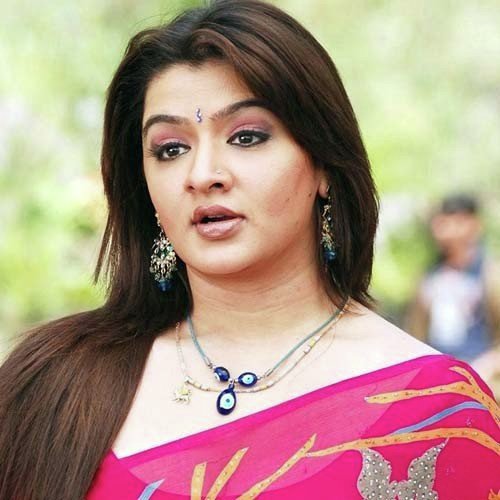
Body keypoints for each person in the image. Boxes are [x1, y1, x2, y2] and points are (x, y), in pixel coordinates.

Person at [1, 1, 499, 499]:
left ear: (324, 163)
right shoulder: (51, 386)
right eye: (171, 148)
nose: (202, 175)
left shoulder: (437, 411)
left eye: (246, 137)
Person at [407, 194, 500, 362]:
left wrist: (490, 364)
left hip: (478, 367)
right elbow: (417, 330)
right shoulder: (429, 276)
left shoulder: (490, 274)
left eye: (456, 223)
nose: (445, 232)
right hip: (438, 366)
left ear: (474, 224)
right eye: (441, 224)